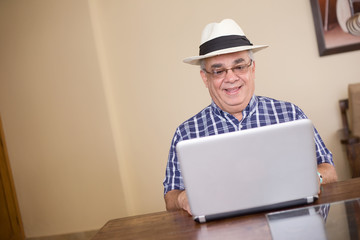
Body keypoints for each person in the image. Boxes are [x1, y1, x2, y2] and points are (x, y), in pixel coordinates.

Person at [163, 19, 338, 215]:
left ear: (252, 68)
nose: (230, 78)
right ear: (205, 78)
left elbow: (329, 170)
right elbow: (170, 197)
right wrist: (181, 198)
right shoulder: (186, 133)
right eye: (218, 71)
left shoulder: (290, 114)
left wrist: (315, 177)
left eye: (239, 67)